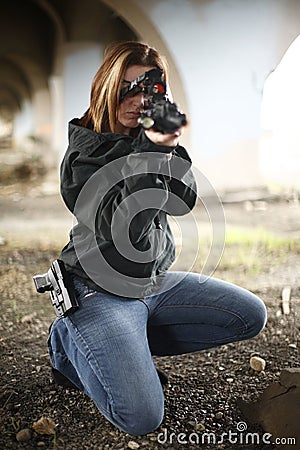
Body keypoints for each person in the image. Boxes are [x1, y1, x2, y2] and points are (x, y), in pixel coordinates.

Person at [47, 41, 267, 436]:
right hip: (98, 289)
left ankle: (122, 345)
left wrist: (170, 146)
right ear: (106, 90)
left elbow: (182, 202)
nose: (136, 100)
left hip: (152, 284)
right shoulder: (84, 156)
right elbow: (123, 224)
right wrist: (151, 150)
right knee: (142, 416)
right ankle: (68, 344)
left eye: (147, 90)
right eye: (126, 88)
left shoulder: (144, 139)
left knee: (249, 315)